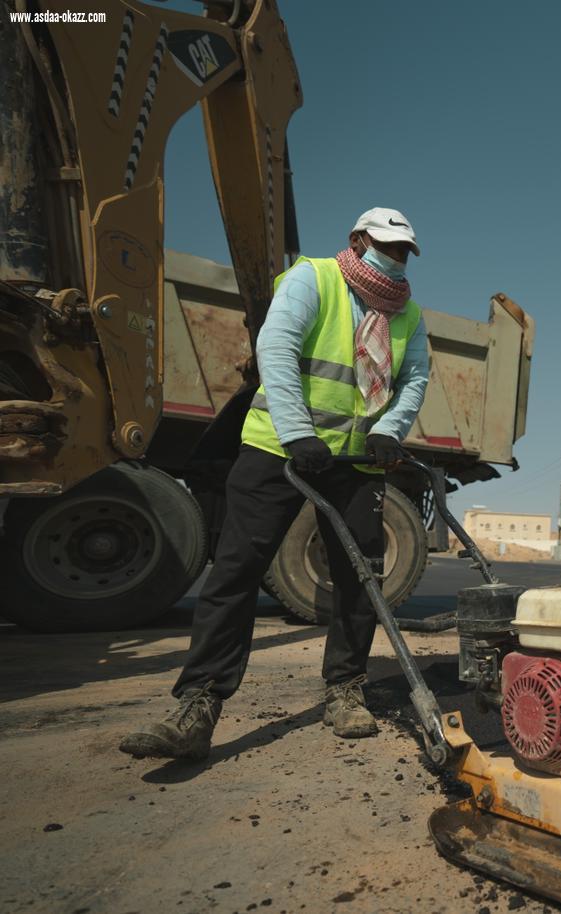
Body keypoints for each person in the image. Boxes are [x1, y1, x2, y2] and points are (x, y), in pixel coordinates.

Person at [120, 207, 430, 760]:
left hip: (357, 462)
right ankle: (199, 704)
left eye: (405, 251)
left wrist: (390, 429)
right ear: (357, 240)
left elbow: (415, 378)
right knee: (236, 570)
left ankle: (345, 688)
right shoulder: (313, 279)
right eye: (388, 246)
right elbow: (277, 351)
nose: (397, 258)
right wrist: (296, 432)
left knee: (360, 576)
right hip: (278, 451)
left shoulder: (407, 314)